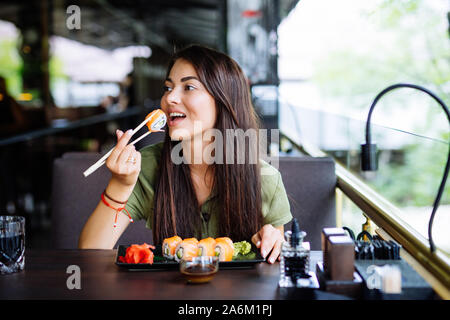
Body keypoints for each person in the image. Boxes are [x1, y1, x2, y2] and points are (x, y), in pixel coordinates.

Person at [78, 45, 292, 264]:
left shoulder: (265, 178)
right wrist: (121, 185)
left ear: (224, 101)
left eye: (188, 87)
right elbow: (90, 252)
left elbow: (273, 259)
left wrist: (272, 239)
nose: (170, 98)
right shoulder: (149, 165)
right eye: (168, 87)